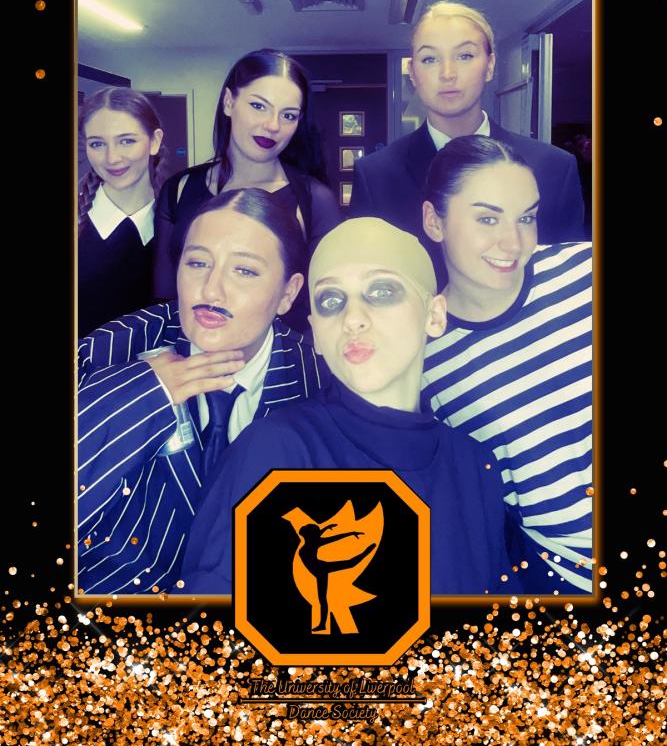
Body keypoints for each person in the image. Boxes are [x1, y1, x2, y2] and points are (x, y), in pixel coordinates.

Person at [178, 218, 526, 597]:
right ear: (317, 334)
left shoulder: (475, 466)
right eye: (331, 301)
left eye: (381, 292)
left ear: (435, 315)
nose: (353, 319)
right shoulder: (276, 451)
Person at [77, 189, 325, 596]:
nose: (211, 291)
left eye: (244, 271)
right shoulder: (109, 351)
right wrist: (139, 396)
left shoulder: (317, 380)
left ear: (288, 293)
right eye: (197, 263)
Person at [421, 135, 592, 595]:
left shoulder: (585, 273)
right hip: (563, 580)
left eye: (526, 218)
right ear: (434, 221)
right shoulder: (424, 358)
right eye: (487, 218)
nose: (513, 242)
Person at [349, 0, 585, 285]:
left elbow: (569, 280)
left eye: (464, 56)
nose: (447, 73)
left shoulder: (553, 168)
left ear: (490, 65)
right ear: (412, 74)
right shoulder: (376, 175)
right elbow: (362, 280)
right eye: (430, 59)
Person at [153, 49, 340, 330]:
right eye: (258, 106)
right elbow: (164, 299)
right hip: (191, 350)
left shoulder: (315, 201)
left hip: (285, 353)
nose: (273, 125)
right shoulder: (179, 189)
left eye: (288, 115)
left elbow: (329, 303)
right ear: (229, 102)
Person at [78, 87, 166, 337]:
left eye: (127, 141)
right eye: (97, 144)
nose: (112, 158)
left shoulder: (180, 222)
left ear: (154, 141)